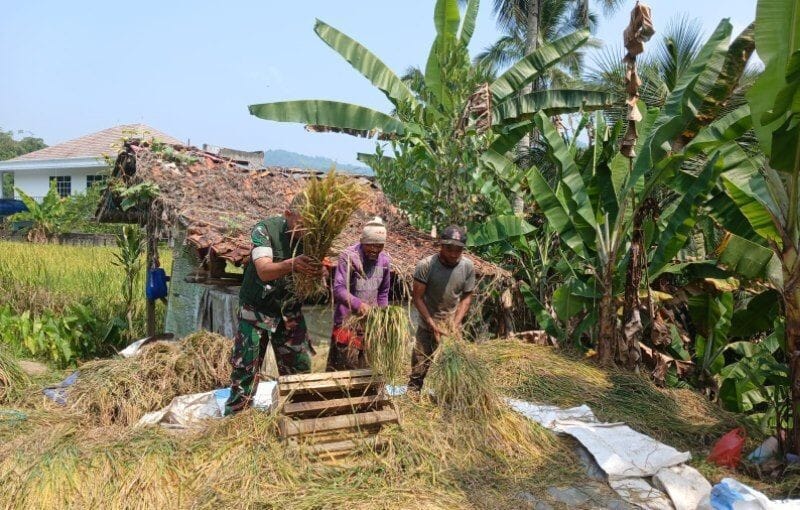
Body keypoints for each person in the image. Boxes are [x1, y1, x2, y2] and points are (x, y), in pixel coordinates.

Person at [225, 194, 323, 415]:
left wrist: (318, 274)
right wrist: (293, 264)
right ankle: (237, 417)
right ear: (288, 214)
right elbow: (264, 270)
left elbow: (316, 275)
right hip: (257, 309)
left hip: (289, 311)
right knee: (246, 367)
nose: (306, 231)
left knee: (299, 366)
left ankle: (297, 413)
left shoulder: (311, 240)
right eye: (302, 224)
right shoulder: (265, 231)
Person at [408, 225, 476, 392]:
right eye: (449, 249)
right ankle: (413, 393)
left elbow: (467, 296)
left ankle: (449, 397)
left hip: (451, 327)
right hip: (428, 324)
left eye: (458, 250)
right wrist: (432, 324)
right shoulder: (426, 266)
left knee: (454, 366)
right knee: (419, 366)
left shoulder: (467, 267)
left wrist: (455, 323)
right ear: (441, 245)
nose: (453, 254)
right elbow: (417, 298)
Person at [327, 217, 392, 371]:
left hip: (371, 324)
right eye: (371, 245)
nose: (375, 249)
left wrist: (382, 316)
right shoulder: (349, 256)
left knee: (367, 370)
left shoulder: (384, 261)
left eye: (379, 245)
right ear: (362, 241)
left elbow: (383, 292)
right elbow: (339, 289)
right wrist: (359, 305)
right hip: (347, 323)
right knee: (342, 372)